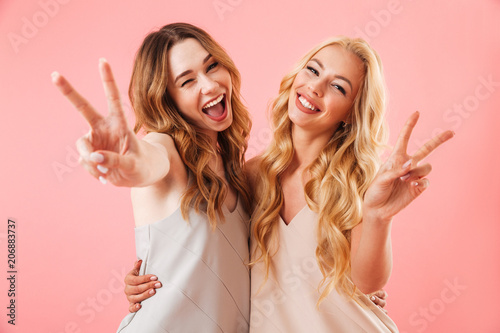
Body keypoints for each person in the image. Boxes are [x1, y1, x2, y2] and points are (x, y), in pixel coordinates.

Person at [52, 23, 252, 333]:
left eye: (212, 66)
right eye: (187, 81)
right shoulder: (166, 149)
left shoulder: (235, 168)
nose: (210, 85)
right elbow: (149, 161)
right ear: (166, 99)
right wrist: (128, 161)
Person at [246, 36, 453, 332]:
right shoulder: (251, 176)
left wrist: (378, 217)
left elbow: (368, 283)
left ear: (351, 114)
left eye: (338, 86)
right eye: (313, 71)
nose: (315, 88)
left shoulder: (358, 182)